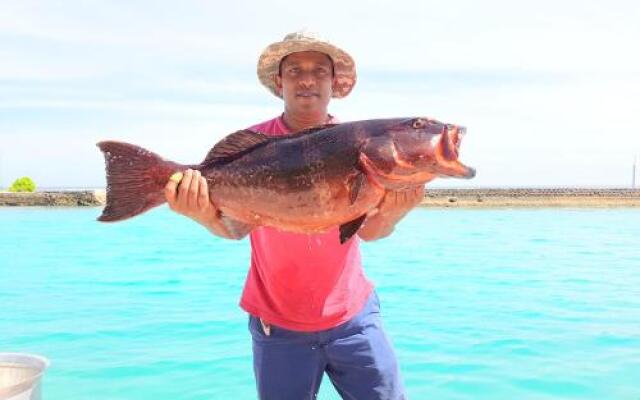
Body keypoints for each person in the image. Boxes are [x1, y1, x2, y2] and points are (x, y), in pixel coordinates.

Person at [164, 31, 424, 400]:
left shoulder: (361, 145)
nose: (307, 79)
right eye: (295, 70)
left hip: (354, 319)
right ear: (279, 82)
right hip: (277, 326)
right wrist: (201, 213)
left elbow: (369, 231)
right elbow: (233, 227)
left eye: (319, 71)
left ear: (334, 83)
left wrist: (395, 216)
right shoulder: (254, 142)